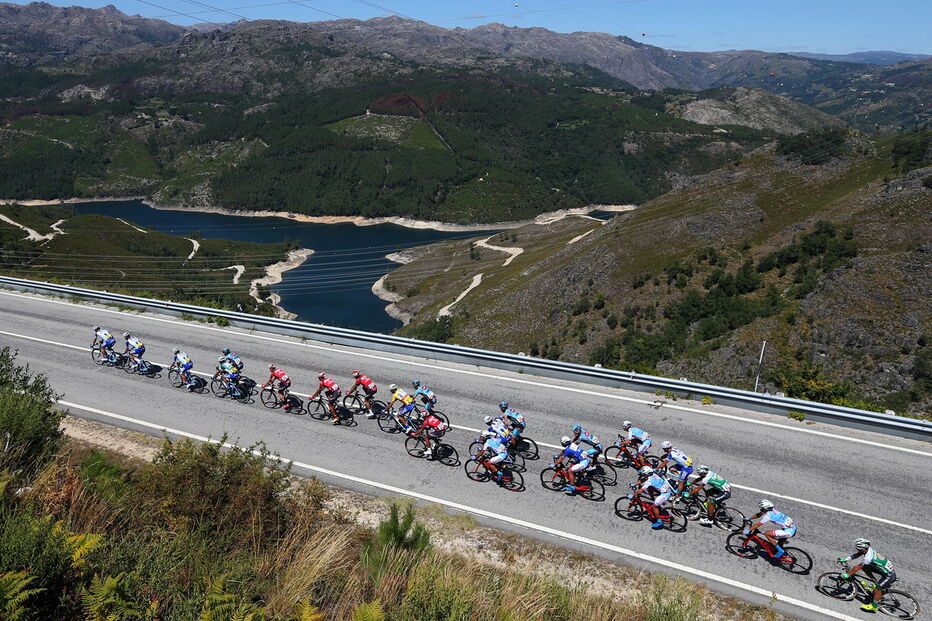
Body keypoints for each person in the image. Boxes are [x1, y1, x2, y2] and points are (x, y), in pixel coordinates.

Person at [838, 538, 897, 613]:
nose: (857, 550)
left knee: (877, 589)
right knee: (865, 567)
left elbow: (857, 567)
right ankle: (875, 582)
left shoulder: (868, 557)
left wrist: (847, 574)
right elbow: (856, 555)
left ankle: (874, 606)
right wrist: (846, 559)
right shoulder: (868, 549)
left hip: (889, 574)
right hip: (886, 569)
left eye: (858, 549)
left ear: (862, 549)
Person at [630, 466, 673, 530]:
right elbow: (643, 479)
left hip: (665, 494)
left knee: (653, 507)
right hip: (666, 489)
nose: (642, 475)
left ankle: (659, 521)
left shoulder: (649, 481)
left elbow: (640, 490)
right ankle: (655, 500)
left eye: (643, 474)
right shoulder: (653, 473)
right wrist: (634, 484)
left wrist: (632, 495)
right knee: (649, 488)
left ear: (647, 473)